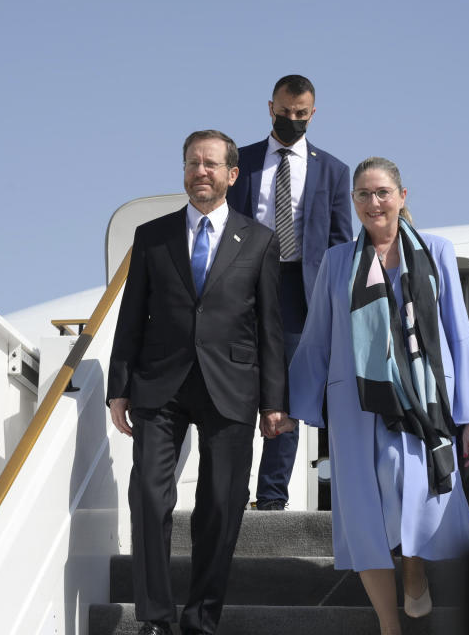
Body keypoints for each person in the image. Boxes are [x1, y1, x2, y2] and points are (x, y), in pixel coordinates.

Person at [278, 157, 469, 635]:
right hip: (357, 403)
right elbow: (317, 337)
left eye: (382, 193)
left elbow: (459, 334)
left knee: (415, 493)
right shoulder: (337, 261)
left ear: (401, 196)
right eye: (363, 195)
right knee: (362, 513)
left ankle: (413, 571)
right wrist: (291, 404)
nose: (373, 203)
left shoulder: (436, 250)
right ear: (353, 202)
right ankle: (388, 625)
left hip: (423, 401)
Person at [107, 130, 288, 635]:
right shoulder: (152, 236)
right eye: (191, 163)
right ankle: (156, 618)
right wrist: (118, 387)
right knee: (147, 494)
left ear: (232, 175)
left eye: (210, 164)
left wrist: (275, 400)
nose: (199, 171)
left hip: (230, 385)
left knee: (221, 503)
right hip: (159, 385)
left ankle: (201, 618)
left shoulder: (259, 240)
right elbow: (130, 317)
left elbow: (270, 326)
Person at [226, 74, 352, 511]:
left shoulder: (333, 170)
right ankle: (232, 491)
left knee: (289, 395)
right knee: (237, 389)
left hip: (302, 293)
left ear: (312, 114)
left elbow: (340, 242)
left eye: (301, 115)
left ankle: (272, 497)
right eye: (285, 113)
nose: (293, 120)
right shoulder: (239, 161)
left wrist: (337, 302)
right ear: (270, 108)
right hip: (244, 286)